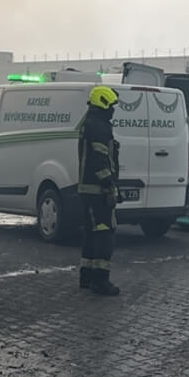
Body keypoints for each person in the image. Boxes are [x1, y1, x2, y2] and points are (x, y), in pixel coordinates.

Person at [77, 84, 121, 296]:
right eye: (112, 106)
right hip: (97, 191)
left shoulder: (89, 123)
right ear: (104, 104)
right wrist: (108, 187)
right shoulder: (100, 127)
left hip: (87, 190)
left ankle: (86, 276)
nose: (113, 110)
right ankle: (100, 280)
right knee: (104, 234)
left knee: (91, 234)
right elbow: (100, 160)